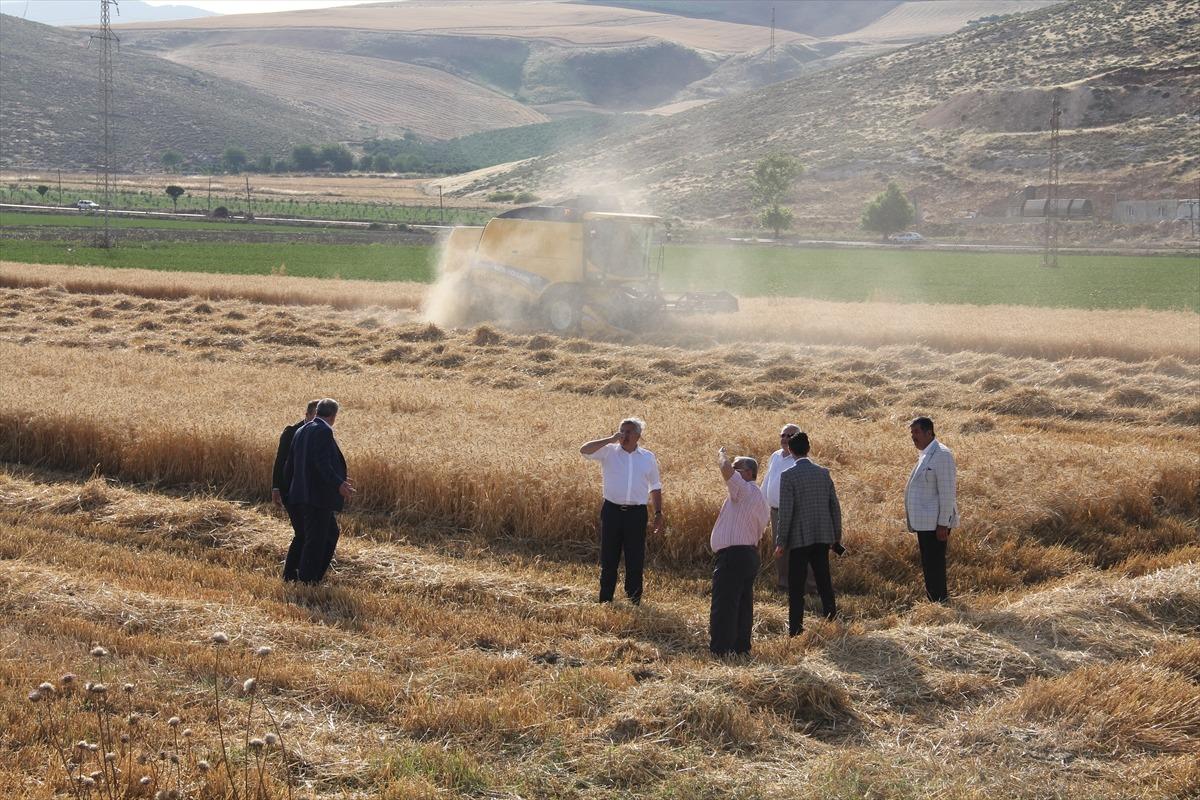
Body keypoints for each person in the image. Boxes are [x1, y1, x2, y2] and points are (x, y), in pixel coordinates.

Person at [579, 417, 664, 605]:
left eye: (628, 432)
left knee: (635, 558)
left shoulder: (647, 457)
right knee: (609, 557)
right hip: (612, 511)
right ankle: (606, 600)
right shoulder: (609, 452)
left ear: (638, 436)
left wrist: (658, 513)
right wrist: (609, 439)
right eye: (622, 431)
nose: (624, 435)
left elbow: (655, 486)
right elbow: (584, 450)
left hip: (637, 514)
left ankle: (634, 600)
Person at [774, 431, 842, 635]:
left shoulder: (788, 476)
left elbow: (785, 512)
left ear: (791, 450)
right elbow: (834, 507)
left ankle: (796, 629)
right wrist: (836, 536)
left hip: (799, 538)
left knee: (796, 586)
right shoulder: (823, 473)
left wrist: (781, 541)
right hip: (822, 536)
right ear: (808, 449)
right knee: (824, 580)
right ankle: (831, 620)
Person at [283, 398, 355, 584]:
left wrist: (289, 492)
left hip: (300, 494)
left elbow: (290, 465)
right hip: (317, 497)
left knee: (324, 534)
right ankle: (308, 581)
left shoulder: (301, 430)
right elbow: (322, 463)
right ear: (333, 415)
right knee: (316, 540)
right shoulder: (323, 431)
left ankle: (293, 576)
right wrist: (338, 484)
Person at [709, 448, 770, 657]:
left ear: (750, 473)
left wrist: (722, 456)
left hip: (733, 556)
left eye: (738, 468)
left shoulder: (744, 491)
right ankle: (740, 648)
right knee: (743, 604)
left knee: (724, 604)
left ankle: (721, 650)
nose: (734, 471)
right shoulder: (760, 497)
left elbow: (725, 469)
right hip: (748, 555)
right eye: (735, 467)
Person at [904, 416, 958, 603]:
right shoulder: (926, 454)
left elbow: (947, 492)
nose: (913, 437)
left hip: (935, 523)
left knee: (934, 563)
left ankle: (939, 600)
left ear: (929, 432)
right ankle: (933, 599)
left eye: (917, 432)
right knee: (929, 563)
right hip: (925, 523)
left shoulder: (942, 454)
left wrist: (943, 524)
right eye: (912, 433)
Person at [759, 422, 814, 593]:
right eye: (782, 435)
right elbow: (768, 480)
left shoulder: (801, 460)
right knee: (780, 551)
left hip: (795, 513)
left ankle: (811, 588)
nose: (785, 438)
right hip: (776, 512)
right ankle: (783, 585)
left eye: (789, 436)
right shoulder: (775, 456)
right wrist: (761, 502)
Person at [273, 399, 319, 582]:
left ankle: (302, 572)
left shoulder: (321, 435)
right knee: (302, 533)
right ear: (306, 415)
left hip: (311, 495)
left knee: (308, 534)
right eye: (314, 415)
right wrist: (276, 488)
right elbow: (279, 462)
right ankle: (290, 574)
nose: (317, 420)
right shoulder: (291, 432)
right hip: (291, 492)